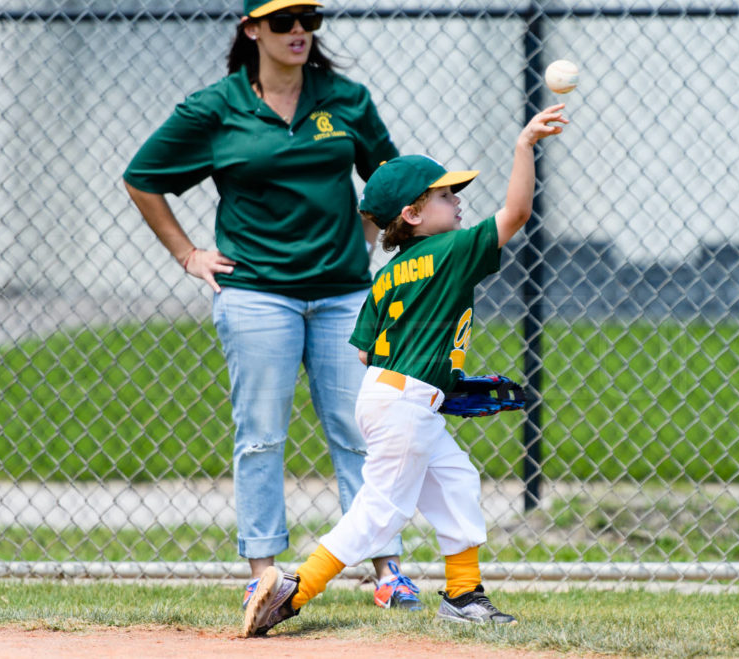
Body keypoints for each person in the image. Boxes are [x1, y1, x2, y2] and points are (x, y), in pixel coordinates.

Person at [122, 0, 421, 613]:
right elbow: (143, 177)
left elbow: (391, 181)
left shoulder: (345, 99)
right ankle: (264, 572)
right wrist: (187, 253)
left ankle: (387, 570)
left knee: (361, 430)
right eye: (282, 20)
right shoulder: (215, 107)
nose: (297, 31)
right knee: (260, 434)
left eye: (307, 18)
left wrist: (368, 236)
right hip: (256, 294)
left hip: (344, 295)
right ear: (251, 29)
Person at [241, 102, 568, 636]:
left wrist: (441, 381)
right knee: (380, 511)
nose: (457, 200)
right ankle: (293, 589)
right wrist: (523, 146)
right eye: (444, 195)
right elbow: (516, 214)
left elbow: (368, 353)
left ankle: (463, 595)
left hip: (389, 394)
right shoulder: (452, 250)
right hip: (407, 402)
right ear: (413, 215)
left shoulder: (388, 274)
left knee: (457, 481)